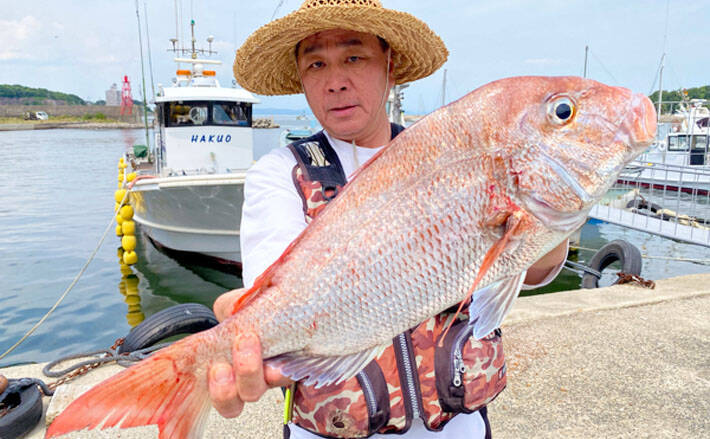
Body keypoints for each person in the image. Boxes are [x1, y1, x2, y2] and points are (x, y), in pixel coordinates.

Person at [209, 1, 568, 437]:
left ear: (390, 65)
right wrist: (245, 322)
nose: (336, 82)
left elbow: (532, 271)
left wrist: (552, 214)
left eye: (354, 57)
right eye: (316, 64)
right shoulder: (280, 172)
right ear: (302, 79)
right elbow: (274, 285)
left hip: (460, 426)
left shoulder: (447, 152)